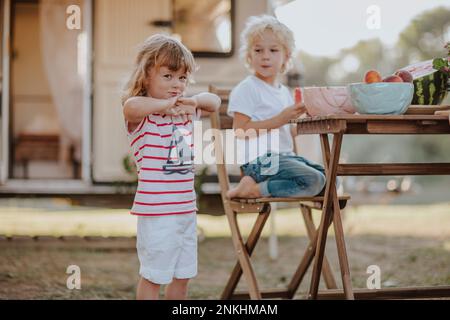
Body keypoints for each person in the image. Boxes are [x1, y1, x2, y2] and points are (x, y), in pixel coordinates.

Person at [122, 34, 220, 300]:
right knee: (154, 275)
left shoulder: (187, 109)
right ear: (146, 77)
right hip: (157, 214)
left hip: (186, 209)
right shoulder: (144, 117)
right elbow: (131, 106)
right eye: (168, 76)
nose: (177, 85)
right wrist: (166, 106)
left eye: (182, 78)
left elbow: (215, 103)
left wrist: (193, 102)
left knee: (183, 275)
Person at [226, 15, 326, 200]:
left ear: (286, 56)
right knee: (313, 180)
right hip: (260, 161)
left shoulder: (284, 92)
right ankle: (254, 190)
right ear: (249, 55)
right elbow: (240, 130)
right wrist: (280, 119)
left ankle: (254, 185)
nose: (265, 56)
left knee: (331, 182)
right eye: (258, 50)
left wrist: (308, 117)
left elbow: (290, 131)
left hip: (286, 157)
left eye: (273, 50)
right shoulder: (248, 88)